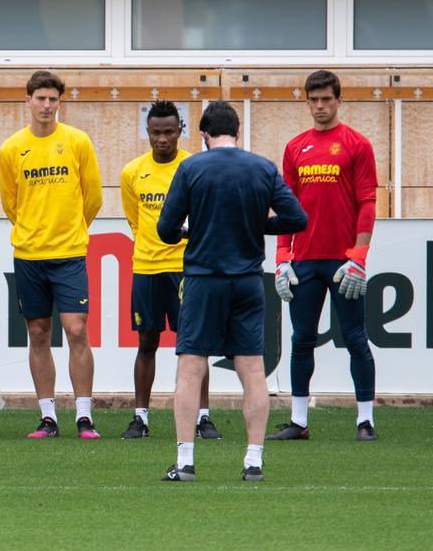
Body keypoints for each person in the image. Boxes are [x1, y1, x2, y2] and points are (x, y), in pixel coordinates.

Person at [157, 101, 307, 482]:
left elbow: (165, 228)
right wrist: (257, 224)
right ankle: (253, 460)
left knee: (191, 367)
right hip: (247, 280)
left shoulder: (191, 167)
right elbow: (296, 218)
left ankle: (186, 461)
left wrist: (188, 232)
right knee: (253, 369)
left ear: (204, 135)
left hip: (204, 280)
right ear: (237, 132)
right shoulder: (261, 167)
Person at [271, 70, 379, 442]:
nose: (319, 106)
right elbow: (285, 207)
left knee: (355, 337)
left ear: (338, 101)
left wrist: (359, 255)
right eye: (313, 100)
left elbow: (367, 202)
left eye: (326, 100)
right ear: (306, 102)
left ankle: (365, 421)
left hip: (343, 261)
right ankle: (299, 422)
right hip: (304, 262)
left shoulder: (357, 145)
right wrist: (282, 257)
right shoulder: (294, 147)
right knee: (301, 339)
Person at [0, 71, 103, 440]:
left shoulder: (77, 141)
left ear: (60, 102)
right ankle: (48, 417)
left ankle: (84, 416)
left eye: (52, 99)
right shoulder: (12, 148)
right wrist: (33, 229)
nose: (46, 105)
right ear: (28, 100)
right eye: (40, 98)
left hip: (69, 253)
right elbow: (11, 202)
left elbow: (93, 198)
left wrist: (71, 228)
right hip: (28, 255)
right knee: (38, 333)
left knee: (76, 330)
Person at [118, 101, 221, 440]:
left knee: (194, 346)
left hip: (187, 269)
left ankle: (203, 417)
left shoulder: (194, 166)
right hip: (147, 266)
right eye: (156, 132)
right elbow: (136, 221)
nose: (162, 139)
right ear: (147, 133)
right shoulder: (132, 172)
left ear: (180, 131)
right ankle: (140, 417)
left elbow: (204, 216)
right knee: (146, 341)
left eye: (169, 132)